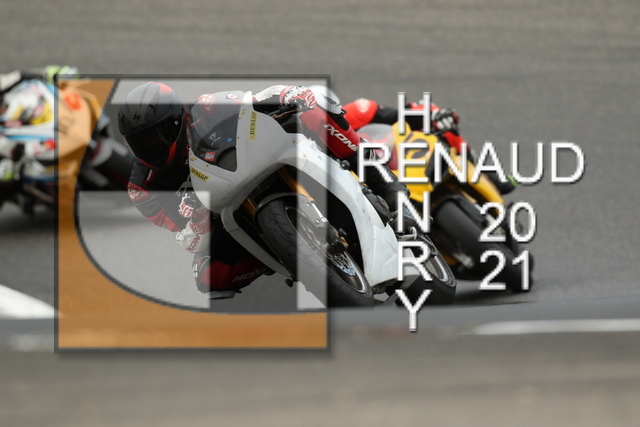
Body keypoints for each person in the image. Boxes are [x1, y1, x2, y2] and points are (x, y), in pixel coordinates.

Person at [117, 82, 411, 299]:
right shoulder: (141, 187)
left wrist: (288, 95)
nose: (150, 148)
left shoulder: (206, 107)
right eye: (139, 143)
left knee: (313, 110)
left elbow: (254, 100)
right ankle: (287, 253)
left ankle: (384, 184)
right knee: (208, 276)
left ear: (177, 120)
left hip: (259, 158)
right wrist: (191, 225)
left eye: (155, 137)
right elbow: (179, 231)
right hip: (224, 212)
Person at [343, 97, 517, 195]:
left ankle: (480, 166)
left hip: (399, 158)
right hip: (366, 186)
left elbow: (403, 113)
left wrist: (433, 115)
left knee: (438, 121)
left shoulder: (354, 112)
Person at [0, 66, 78, 212]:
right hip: (7, 161)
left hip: (16, 128)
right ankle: (32, 196)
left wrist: (49, 73)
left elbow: (17, 76)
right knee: (8, 176)